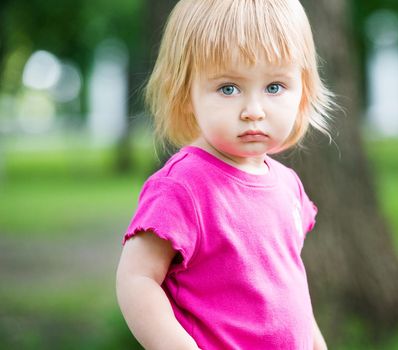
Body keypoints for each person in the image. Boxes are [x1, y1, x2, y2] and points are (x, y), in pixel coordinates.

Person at [116, 0, 334, 348]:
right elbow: (137, 279)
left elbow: (289, 289)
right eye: (228, 88)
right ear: (186, 93)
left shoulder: (288, 185)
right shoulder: (183, 186)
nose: (253, 111)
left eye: (274, 87)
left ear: (303, 91)